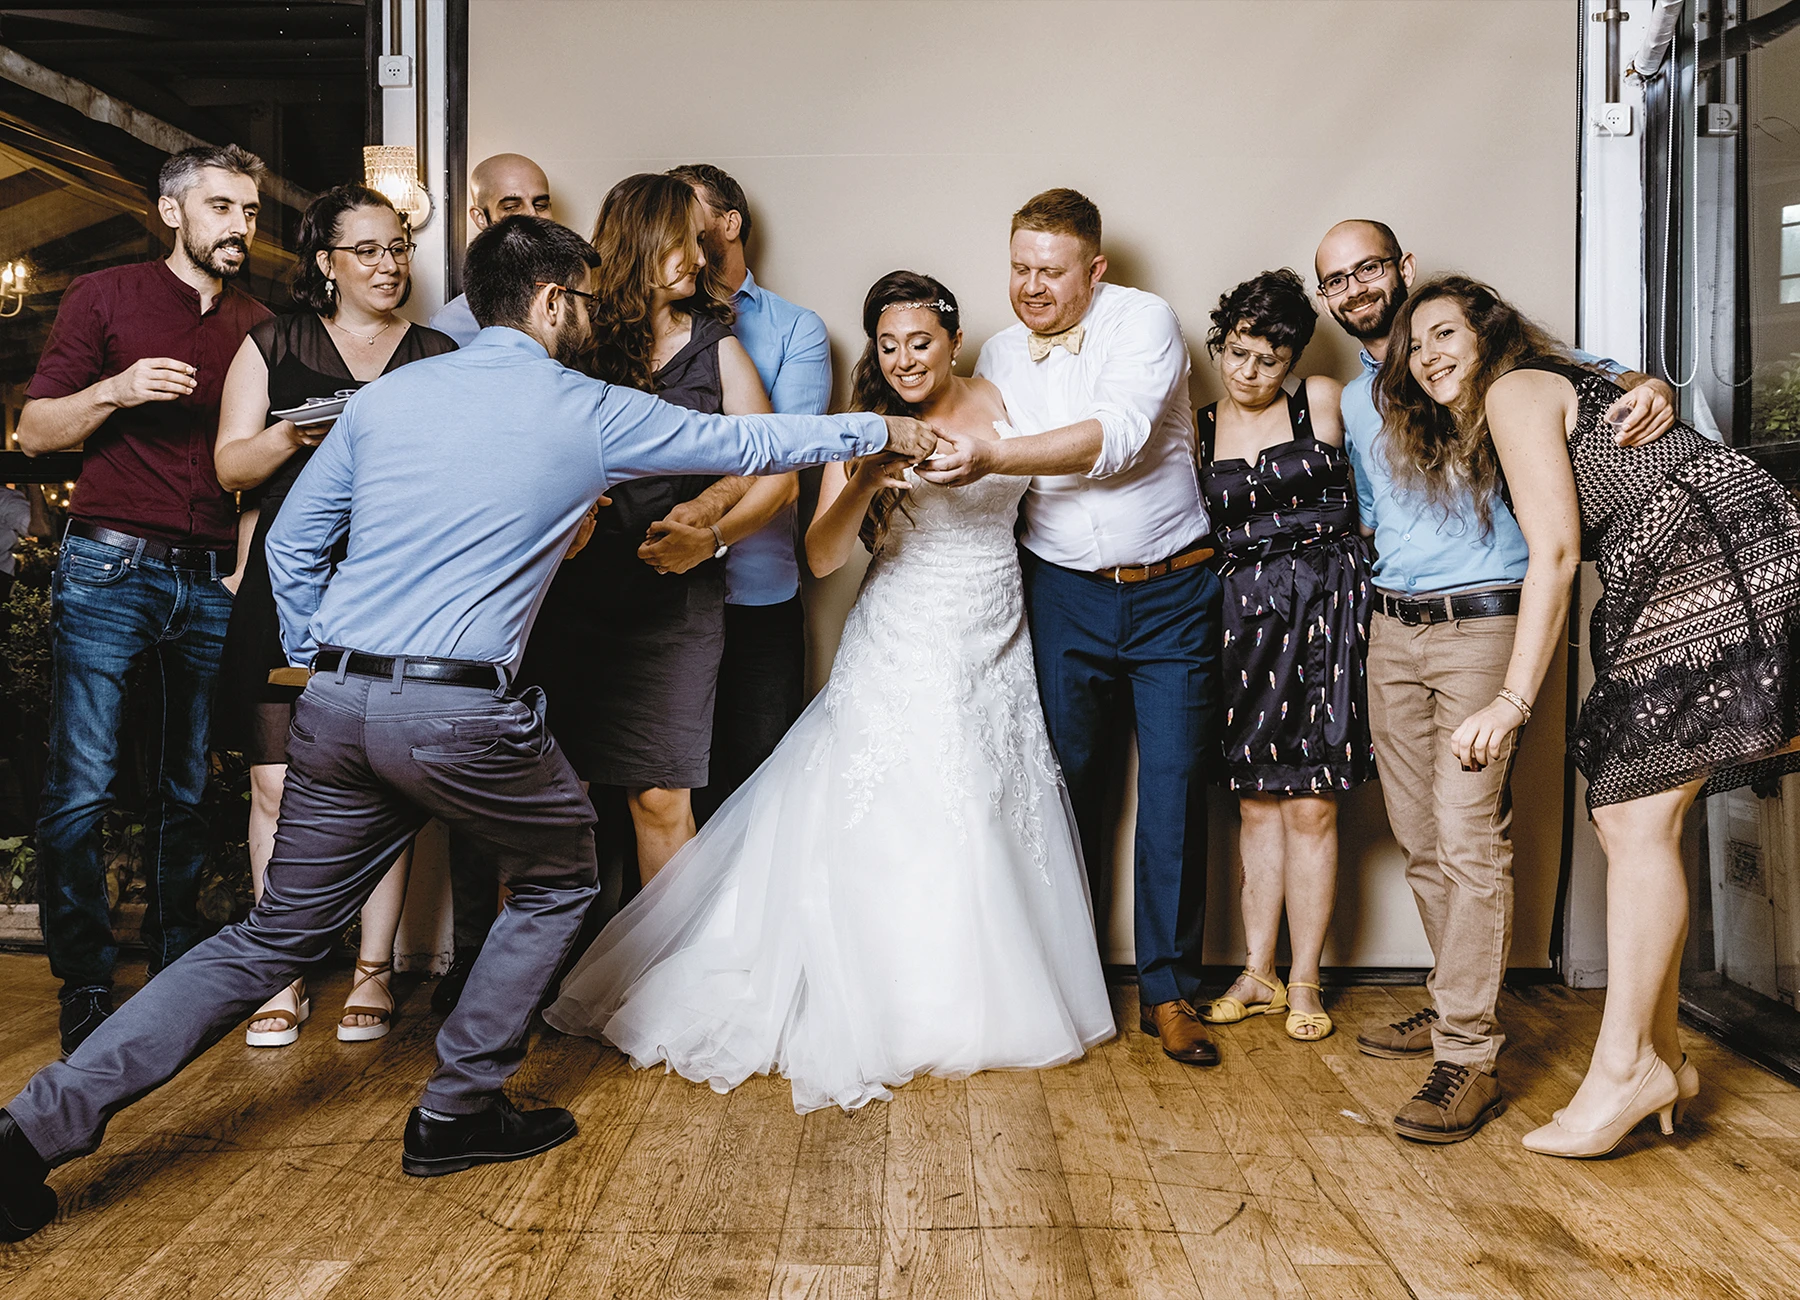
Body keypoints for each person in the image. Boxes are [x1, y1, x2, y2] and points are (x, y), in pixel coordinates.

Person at [0, 216, 939, 1243]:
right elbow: (747, 443)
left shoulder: (387, 398)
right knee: (563, 871)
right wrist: (876, 430)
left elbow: (295, 546)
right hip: (462, 716)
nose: (590, 314)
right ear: (548, 305)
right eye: (581, 299)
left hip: (338, 707)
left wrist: (333, 657)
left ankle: (29, 1130)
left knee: (267, 938)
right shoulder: (583, 407)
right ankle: (457, 1107)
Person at [544, 272, 1114, 1113]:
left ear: (953, 342)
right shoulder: (864, 428)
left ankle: (979, 986)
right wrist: (866, 476)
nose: (904, 360)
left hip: (997, 633)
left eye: (920, 343)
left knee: (991, 802)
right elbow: (819, 557)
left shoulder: (1006, 400)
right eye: (888, 346)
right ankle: (887, 995)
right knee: (901, 804)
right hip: (904, 637)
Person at [1380, 276, 1800, 1157]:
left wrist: (1512, 697)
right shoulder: (1545, 383)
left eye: (1445, 332)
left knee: (1633, 817)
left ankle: (1622, 1071)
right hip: (1691, 556)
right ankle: (1666, 1058)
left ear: (1488, 334)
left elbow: (1559, 552)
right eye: (1414, 346)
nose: (1428, 357)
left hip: (1708, 552)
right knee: (1629, 820)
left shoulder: (1514, 386)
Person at [1312, 219, 1677, 1142]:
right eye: (1335, 281)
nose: (1355, 289)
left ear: (1402, 269)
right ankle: (1452, 1006)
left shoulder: (1493, 364)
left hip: (1485, 623)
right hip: (1389, 631)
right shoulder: (1360, 403)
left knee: (1470, 835)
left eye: (1367, 269)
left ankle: (1466, 1057)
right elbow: (1366, 517)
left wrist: (1658, 387)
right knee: (1421, 838)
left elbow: (1603, 381)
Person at [922, 189, 1221, 1066]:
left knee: (1170, 793)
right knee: (1064, 789)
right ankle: (1071, 979)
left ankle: (1169, 992)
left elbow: (1120, 439)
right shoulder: (999, 351)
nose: (1031, 288)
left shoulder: (1147, 321)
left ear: (1095, 269)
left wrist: (991, 455)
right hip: (1060, 595)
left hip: (1172, 591)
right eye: (1019, 268)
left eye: (1051, 272)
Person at [17, 144, 270, 1057]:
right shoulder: (105, 297)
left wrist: (241, 569)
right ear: (173, 212)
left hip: (208, 578)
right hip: (108, 568)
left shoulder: (260, 325)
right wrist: (117, 390)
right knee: (81, 786)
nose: (240, 225)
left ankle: (171, 969)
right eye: (221, 207)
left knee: (184, 786)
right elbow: (35, 430)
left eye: (248, 210)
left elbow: (265, 472)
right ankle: (84, 982)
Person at [214, 184, 458, 1046]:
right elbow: (231, 466)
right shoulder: (272, 342)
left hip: (393, 587)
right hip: (286, 584)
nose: (389, 265)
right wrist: (294, 435)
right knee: (275, 784)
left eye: (397, 248)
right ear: (326, 264)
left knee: (384, 780)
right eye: (368, 251)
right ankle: (278, 971)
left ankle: (373, 970)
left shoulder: (436, 352)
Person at [525, 173, 771, 891]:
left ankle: (668, 989)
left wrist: (705, 518)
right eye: (683, 243)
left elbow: (766, 457)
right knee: (541, 802)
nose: (699, 259)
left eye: (700, 242)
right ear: (639, 243)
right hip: (565, 603)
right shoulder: (571, 335)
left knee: (660, 795)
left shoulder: (716, 345)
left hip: (675, 603)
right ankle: (521, 990)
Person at [1193, 269, 1373, 1044]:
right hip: (1241, 625)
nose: (1249, 372)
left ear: (1295, 356)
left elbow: (1389, 492)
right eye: (1237, 352)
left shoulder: (1326, 401)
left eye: (1270, 357)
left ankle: (1306, 979)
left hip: (1328, 616)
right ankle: (1258, 971)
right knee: (1255, 803)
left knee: (1312, 803)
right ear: (1222, 344)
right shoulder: (1197, 425)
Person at [669, 163, 829, 824]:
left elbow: (784, 468)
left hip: (757, 592)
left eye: (689, 208)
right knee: (666, 788)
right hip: (662, 599)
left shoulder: (796, 329)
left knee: (759, 790)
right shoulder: (649, 321)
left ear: (730, 223)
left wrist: (707, 534)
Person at [428, 153, 553, 347]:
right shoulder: (451, 325)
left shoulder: (580, 303)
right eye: (511, 207)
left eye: (541, 205)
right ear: (480, 218)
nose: (532, 215)